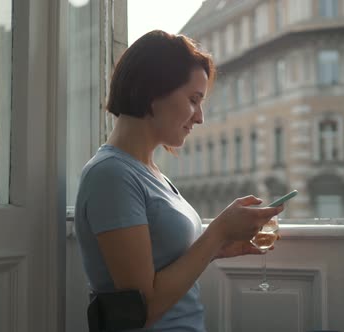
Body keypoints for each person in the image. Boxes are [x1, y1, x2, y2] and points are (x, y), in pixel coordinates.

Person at [74, 30, 284, 331]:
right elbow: (140, 311)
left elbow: (163, 266)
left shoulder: (148, 172)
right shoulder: (111, 176)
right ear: (152, 92)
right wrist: (217, 232)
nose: (200, 117)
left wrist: (217, 248)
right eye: (193, 100)